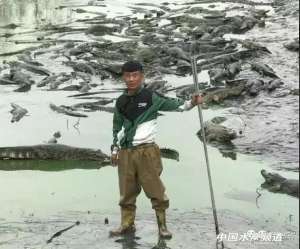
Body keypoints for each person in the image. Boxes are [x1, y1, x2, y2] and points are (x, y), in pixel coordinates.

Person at [110, 61, 203, 239]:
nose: (131, 79)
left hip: (147, 152)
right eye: (127, 75)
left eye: (135, 75)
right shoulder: (120, 101)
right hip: (126, 153)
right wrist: (115, 150)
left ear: (142, 76)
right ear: (123, 77)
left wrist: (192, 102)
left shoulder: (151, 97)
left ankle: (162, 227)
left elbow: (177, 105)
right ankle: (127, 225)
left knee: (156, 192)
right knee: (126, 192)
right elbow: (117, 128)